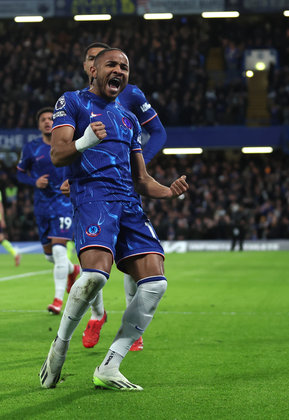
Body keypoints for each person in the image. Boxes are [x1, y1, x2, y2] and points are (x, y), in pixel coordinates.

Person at [39, 48, 188, 390]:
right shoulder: (72, 103)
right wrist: (86, 140)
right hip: (93, 198)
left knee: (156, 283)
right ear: (93, 70)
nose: (119, 70)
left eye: (124, 66)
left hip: (129, 203)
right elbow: (58, 152)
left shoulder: (129, 119)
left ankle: (110, 364)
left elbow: (142, 180)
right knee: (95, 277)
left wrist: (168, 190)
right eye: (112, 64)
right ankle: (59, 345)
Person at [77, 42, 168, 350]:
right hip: (89, 188)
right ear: (90, 67)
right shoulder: (77, 102)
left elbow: (159, 132)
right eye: (92, 59)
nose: (98, 64)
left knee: (134, 257)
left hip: (124, 188)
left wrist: (136, 166)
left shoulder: (131, 95)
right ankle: (97, 314)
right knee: (94, 259)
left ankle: (133, 327)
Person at [16, 107, 81, 315]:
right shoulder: (31, 148)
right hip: (42, 207)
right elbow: (19, 174)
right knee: (51, 257)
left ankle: (58, 300)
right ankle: (73, 270)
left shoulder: (66, 145)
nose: (47, 121)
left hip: (63, 204)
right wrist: (33, 181)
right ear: (38, 125)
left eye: (51, 118)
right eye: (43, 119)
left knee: (60, 251)